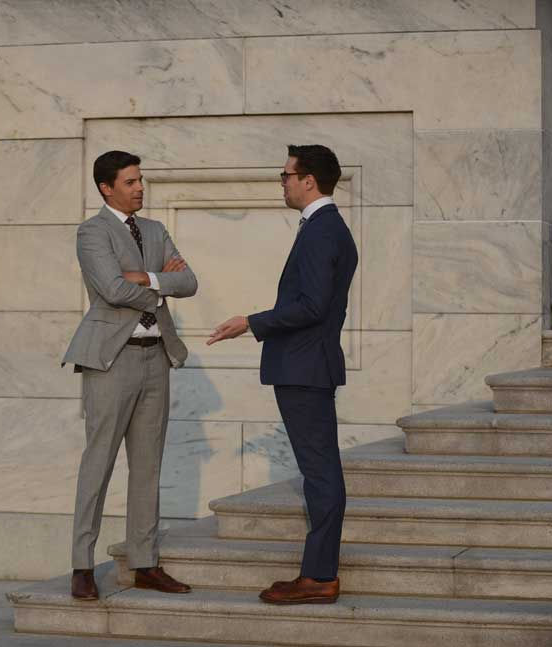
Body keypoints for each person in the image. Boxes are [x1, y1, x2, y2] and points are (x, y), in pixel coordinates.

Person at [207, 144, 357, 605]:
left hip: (305, 368)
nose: (283, 182)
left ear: (308, 179)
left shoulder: (322, 232)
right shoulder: (324, 228)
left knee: (321, 474)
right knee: (320, 472)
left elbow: (311, 306)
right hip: (308, 366)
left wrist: (251, 322)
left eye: (286, 174)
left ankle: (319, 576)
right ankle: (317, 572)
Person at [63, 150, 198, 600]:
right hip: (110, 360)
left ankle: (145, 562)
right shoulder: (92, 232)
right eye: (131, 182)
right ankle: (82, 565)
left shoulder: (156, 230)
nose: (140, 188)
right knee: (98, 462)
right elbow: (110, 288)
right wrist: (160, 284)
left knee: (148, 466)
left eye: (141, 180)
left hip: (156, 358)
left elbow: (190, 281)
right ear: (107, 188)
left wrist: (147, 278)